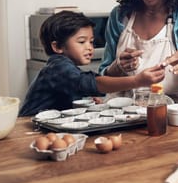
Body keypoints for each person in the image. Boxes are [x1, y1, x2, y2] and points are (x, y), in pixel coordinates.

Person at [19, 11, 165, 116]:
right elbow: (89, 83)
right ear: (57, 47)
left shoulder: (66, 67)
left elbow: (75, 90)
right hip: (28, 127)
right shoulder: (57, 67)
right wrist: (137, 81)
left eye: (91, 41)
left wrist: (86, 102)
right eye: (81, 42)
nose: (90, 47)